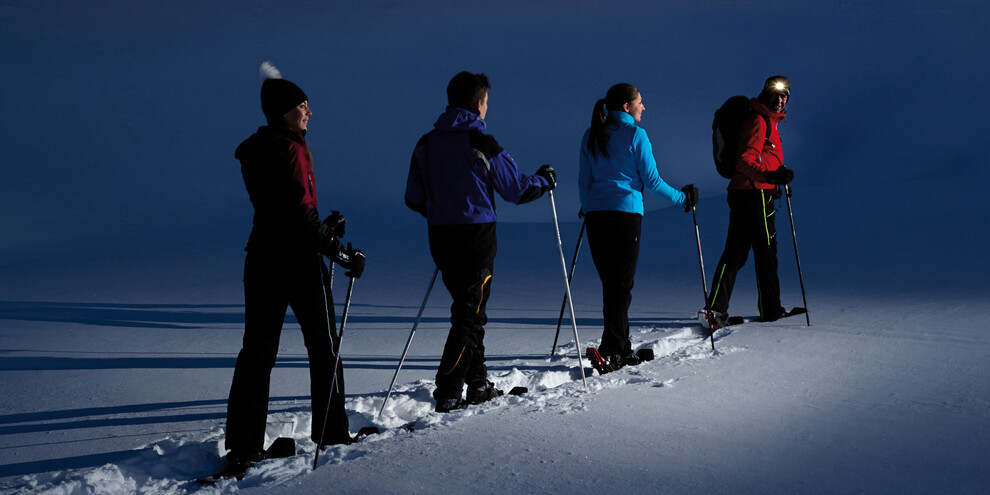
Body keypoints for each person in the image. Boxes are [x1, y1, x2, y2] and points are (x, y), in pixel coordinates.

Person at [223, 62, 365, 475]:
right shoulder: (290, 148)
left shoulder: (258, 148)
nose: (308, 112)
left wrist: (323, 227)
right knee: (324, 347)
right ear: (284, 112)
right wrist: (339, 252)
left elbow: (282, 209)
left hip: (262, 259)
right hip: (299, 262)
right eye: (302, 106)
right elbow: (299, 216)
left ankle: (244, 445)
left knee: (257, 352)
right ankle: (332, 432)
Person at [405, 71, 555, 412]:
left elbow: (414, 198)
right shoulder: (480, 141)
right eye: (486, 101)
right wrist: (545, 181)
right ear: (478, 103)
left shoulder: (427, 142)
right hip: (475, 237)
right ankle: (448, 391)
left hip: (441, 237)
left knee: (470, 310)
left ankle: (477, 383)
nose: (487, 107)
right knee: (469, 317)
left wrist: (444, 205)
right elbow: (516, 189)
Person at [578, 83, 697, 374]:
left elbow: (584, 180)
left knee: (613, 283)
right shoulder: (635, 134)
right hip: (625, 214)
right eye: (639, 102)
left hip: (596, 215)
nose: (643, 107)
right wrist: (683, 198)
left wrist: (589, 205)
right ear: (626, 107)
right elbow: (652, 181)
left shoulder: (591, 134)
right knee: (621, 285)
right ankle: (611, 350)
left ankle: (621, 347)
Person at [705, 75, 797, 330]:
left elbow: (761, 158)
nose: (780, 100)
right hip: (755, 194)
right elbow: (744, 160)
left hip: (745, 193)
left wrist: (776, 178)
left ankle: (715, 309)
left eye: (784, 95)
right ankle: (771, 310)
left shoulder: (765, 121)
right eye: (775, 95)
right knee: (766, 252)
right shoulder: (759, 121)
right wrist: (770, 177)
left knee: (736, 251)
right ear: (765, 95)